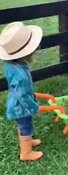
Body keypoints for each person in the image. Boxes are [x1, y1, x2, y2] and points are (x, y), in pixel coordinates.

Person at [0, 21, 43, 161]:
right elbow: (23, 95)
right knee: (26, 126)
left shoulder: (10, 64)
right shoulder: (21, 76)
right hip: (21, 106)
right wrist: (33, 107)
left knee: (22, 125)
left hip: (16, 103)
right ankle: (26, 153)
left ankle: (27, 141)